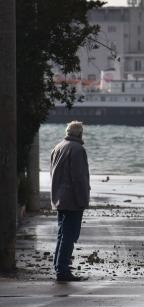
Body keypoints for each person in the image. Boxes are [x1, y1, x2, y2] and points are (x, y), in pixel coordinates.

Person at [50, 121, 91, 282]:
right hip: (73, 199)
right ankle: (63, 270)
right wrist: (83, 200)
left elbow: (52, 173)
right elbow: (79, 178)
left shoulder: (58, 147)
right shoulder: (78, 150)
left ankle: (59, 266)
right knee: (70, 235)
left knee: (62, 234)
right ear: (80, 134)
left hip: (59, 197)